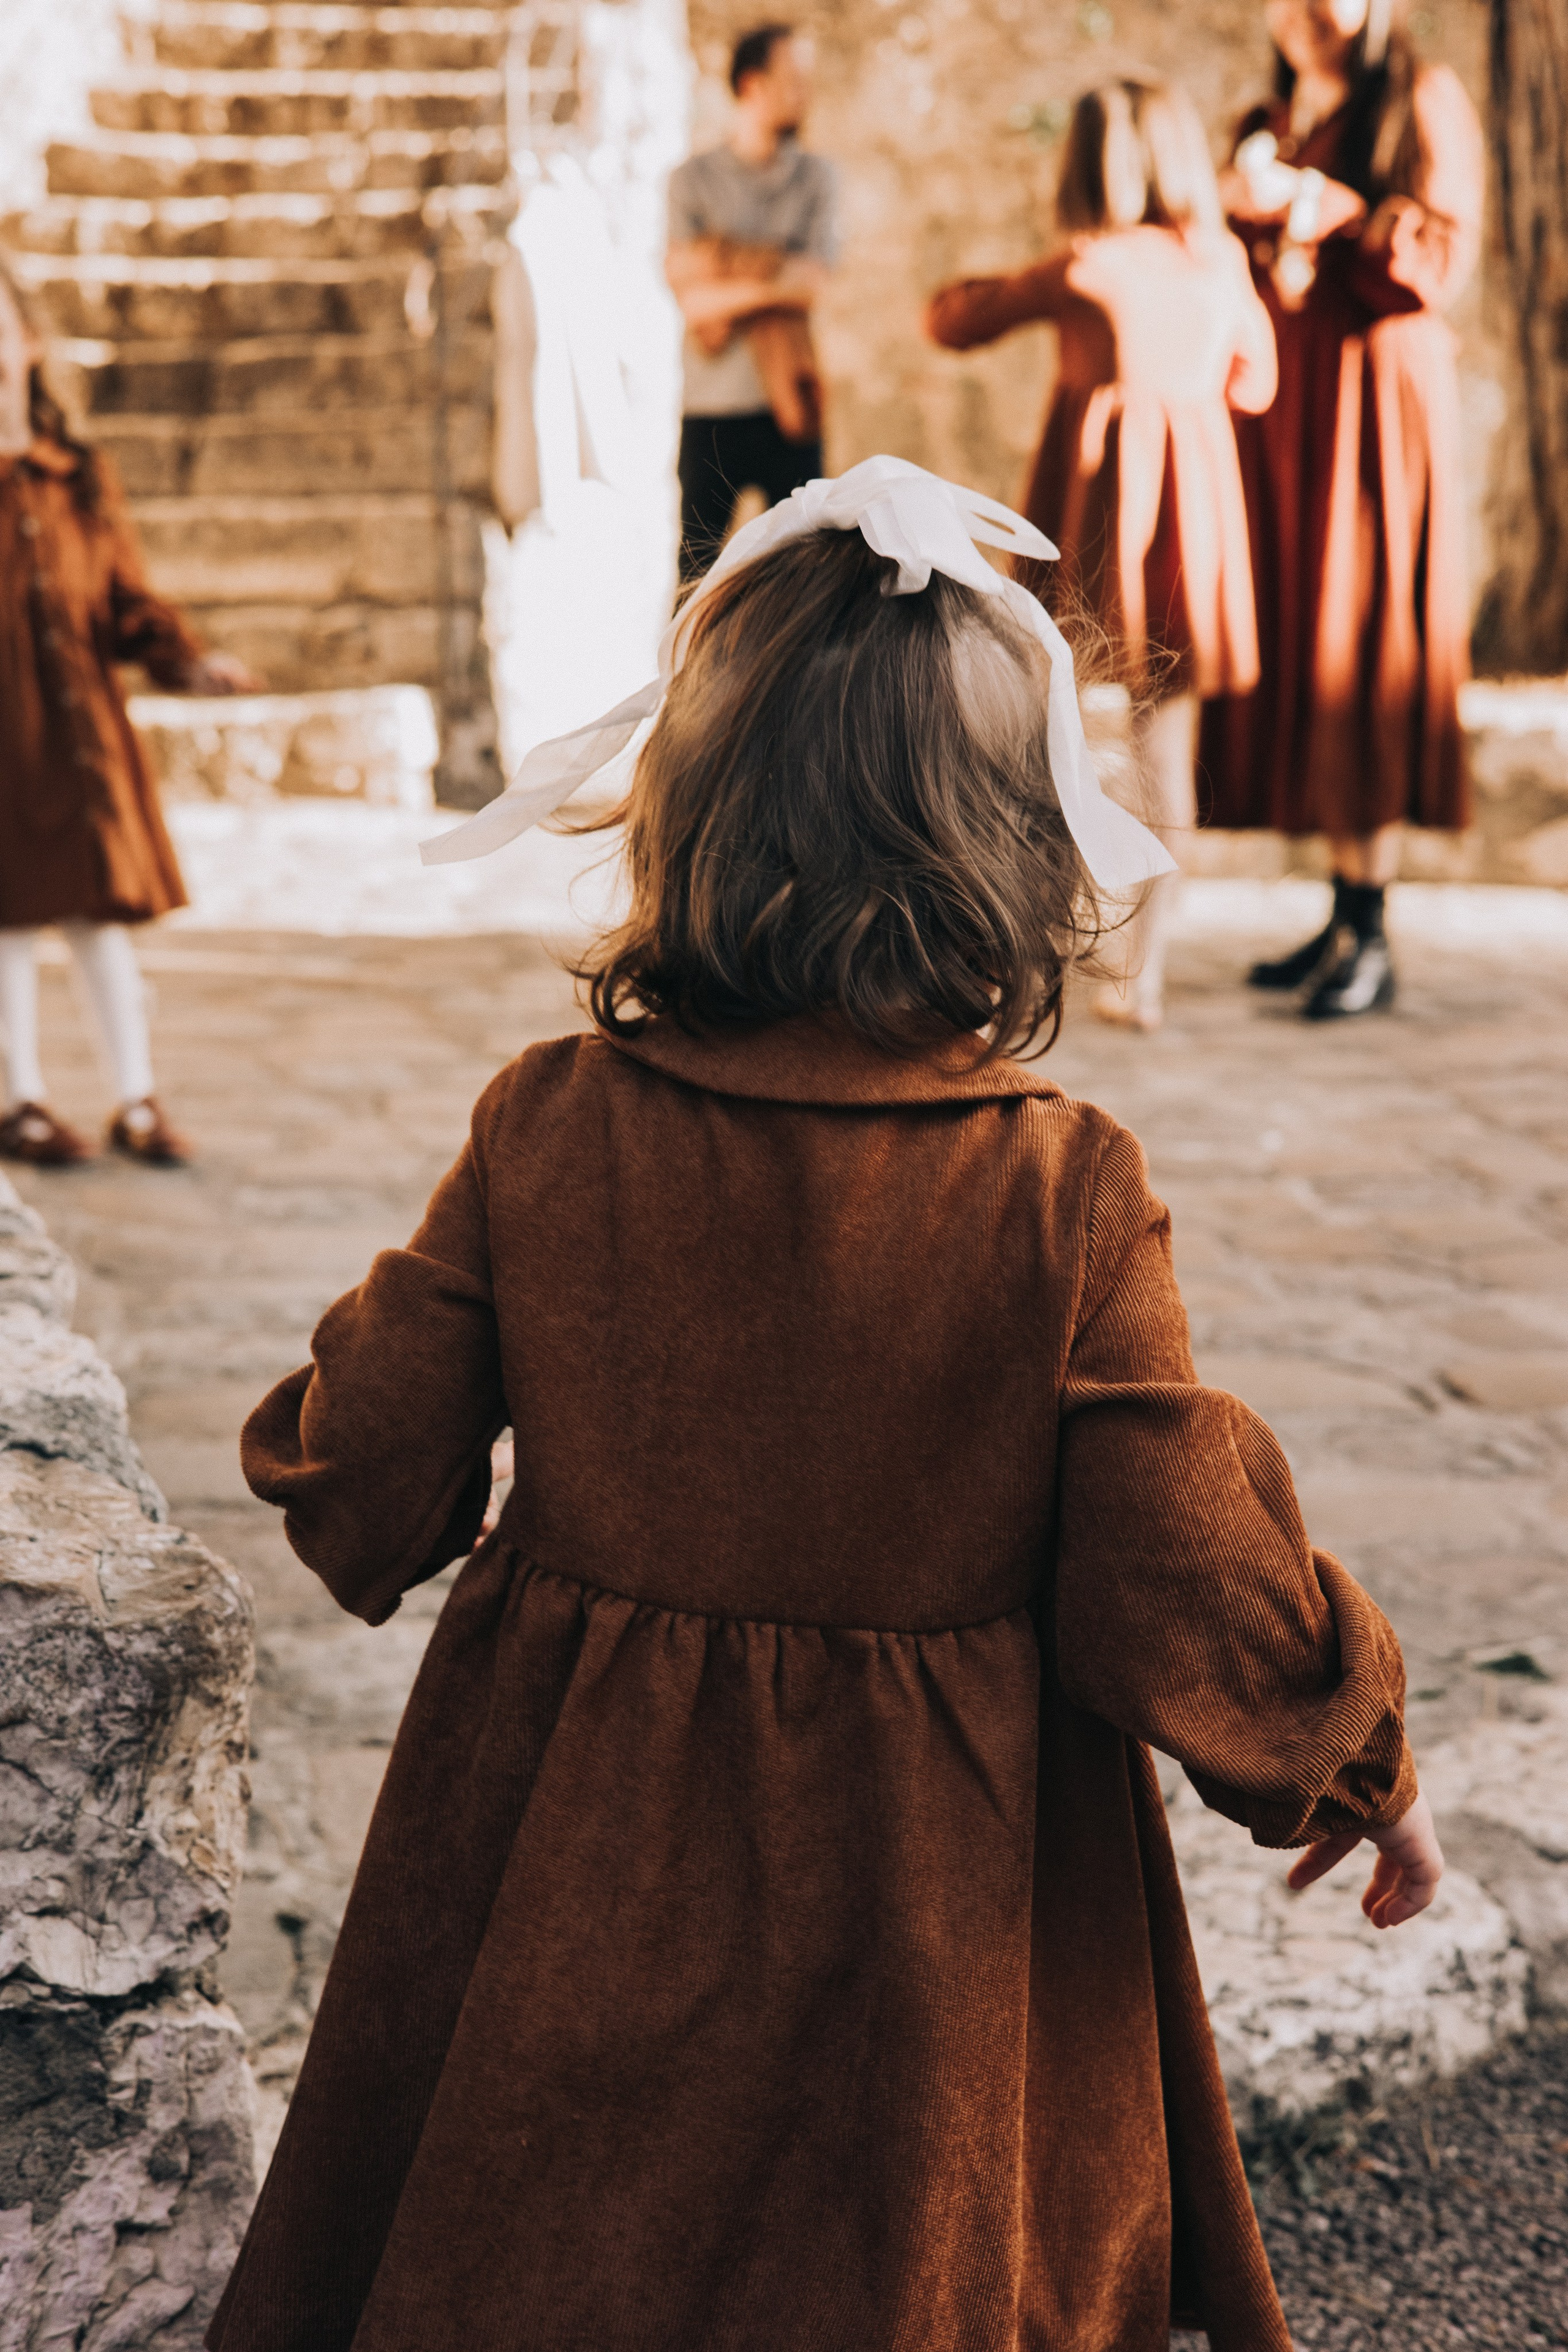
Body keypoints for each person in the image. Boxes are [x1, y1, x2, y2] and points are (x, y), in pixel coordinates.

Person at [206, 458, 1442, 2352]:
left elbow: (368, 1464)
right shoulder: (1061, 1184)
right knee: (906, 2248)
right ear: (1020, 850)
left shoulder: (549, 1124)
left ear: (690, 804)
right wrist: (1344, 1750)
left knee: (547, 2240)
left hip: (569, 1846)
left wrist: (341, 1417)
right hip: (933, 1874)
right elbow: (1174, 1555)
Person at [927, 78, 1276, 1031]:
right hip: (1194, 523)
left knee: (1054, 726)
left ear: (1084, 164)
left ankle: (1029, 940)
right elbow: (1256, 382)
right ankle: (1145, 970)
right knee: (1168, 746)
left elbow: (954, 320)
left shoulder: (1086, 265)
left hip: (1093, 510)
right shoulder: (1220, 263)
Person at [1200, 0, 1485, 1018]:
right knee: (1303, 636)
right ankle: (1338, 905)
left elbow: (1440, 259)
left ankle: (1371, 924)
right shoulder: (1266, 118)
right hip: (1289, 418)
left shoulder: (1421, 100)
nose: (1305, 14)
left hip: (1374, 412)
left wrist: (1339, 209)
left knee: (1363, 637)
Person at [0, 256, 257, 1165]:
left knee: (98, 917)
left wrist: (186, 660)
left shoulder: (77, 478)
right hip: (5, 743)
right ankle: (21, 1098)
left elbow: (123, 600)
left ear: (27, 343)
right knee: (12, 919)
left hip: (78, 740)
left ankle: (134, 1099)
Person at [666, 24, 839, 584]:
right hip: (712, 411)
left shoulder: (816, 179)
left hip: (791, 404)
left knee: (809, 581)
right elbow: (693, 304)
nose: (804, 93)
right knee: (697, 578)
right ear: (751, 84)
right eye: (793, 80)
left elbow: (811, 283)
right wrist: (774, 276)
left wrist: (723, 263)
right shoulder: (691, 182)